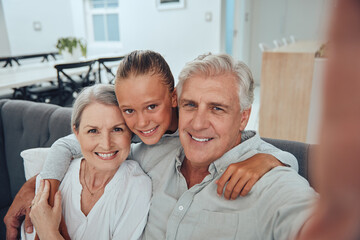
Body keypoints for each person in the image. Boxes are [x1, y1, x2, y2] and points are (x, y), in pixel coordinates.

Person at [4, 51, 298, 239]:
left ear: (172, 99)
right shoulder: (137, 138)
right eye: (128, 111)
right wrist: (44, 182)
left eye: (151, 107)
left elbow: (263, 156)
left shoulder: (195, 121)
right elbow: (74, 143)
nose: (142, 122)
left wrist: (273, 159)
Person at [23, 84, 151, 239]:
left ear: (130, 132)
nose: (106, 144)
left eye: (117, 129)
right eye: (93, 131)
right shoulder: (53, 178)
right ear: (76, 132)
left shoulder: (136, 187)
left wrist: (49, 233)